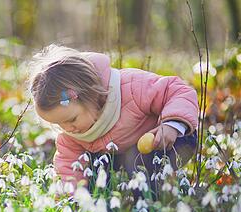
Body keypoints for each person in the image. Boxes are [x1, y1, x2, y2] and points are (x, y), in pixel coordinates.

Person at [28, 44, 198, 198]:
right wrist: (74, 194)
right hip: (123, 156)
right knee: (92, 169)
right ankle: (100, 202)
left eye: (71, 119)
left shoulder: (132, 87)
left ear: (90, 96)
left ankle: (150, 200)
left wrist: (172, 124)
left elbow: (178, 91)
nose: (68, 128)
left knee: (138, 167)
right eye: (59, 124)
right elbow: (69, 165)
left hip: (170, 140)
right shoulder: (71, 134)